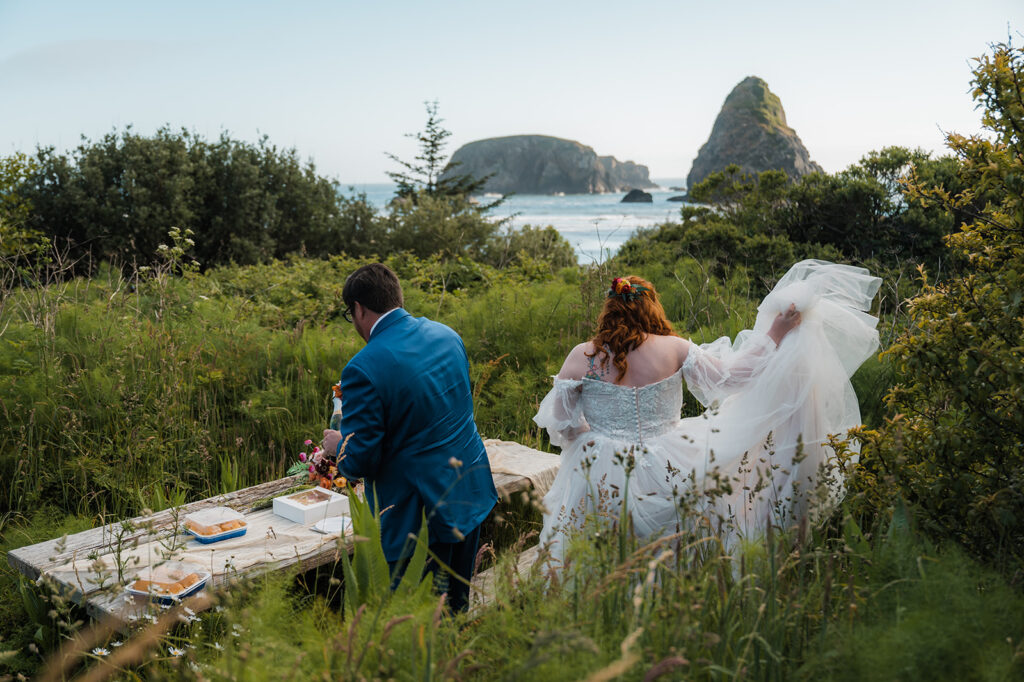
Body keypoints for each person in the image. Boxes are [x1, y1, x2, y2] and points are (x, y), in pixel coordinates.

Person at [534, 260, 881, 563]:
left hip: (600, 464)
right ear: (651, 308)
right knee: (680, 535)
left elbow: (563, 423)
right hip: (669, 459)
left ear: (609, 310)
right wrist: (776, 333)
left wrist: (594, 442)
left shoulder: (583, 356)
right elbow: (733, 377)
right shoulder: (674, 348)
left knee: (594, 541)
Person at [321, 263, 497, 612]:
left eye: (350, 314)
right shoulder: (448, 335)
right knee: (455, 606)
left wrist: (338, 445)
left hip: (416, 517)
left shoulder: (363, 367)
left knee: (412, 620)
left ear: (358, 309)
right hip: (467, 491)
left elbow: (360, 461)